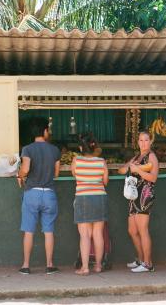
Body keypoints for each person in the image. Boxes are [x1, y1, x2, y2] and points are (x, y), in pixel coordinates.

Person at [17, 117, 61, 275]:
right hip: (49, 194)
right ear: (44, 131)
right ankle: (49, 265)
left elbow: (26, 169)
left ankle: (26, 265)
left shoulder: (27, 149)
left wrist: (19, 175)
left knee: (29, 230)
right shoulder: (55, 150)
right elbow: (56, 173)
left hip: (32, 193)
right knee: (48, 231)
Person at [118, 131, 159, 273]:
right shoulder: (136, 157)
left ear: (151, 141)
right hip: (133, 195)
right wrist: (130, 167)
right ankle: (141, 260)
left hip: (145, 194)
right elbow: (121, 170)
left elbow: (153, 178)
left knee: (142, 230)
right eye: (141, 140)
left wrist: (138, 170)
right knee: (132, 230)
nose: (143, 143)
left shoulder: (151, 156)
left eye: (146, 140)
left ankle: (148, 264)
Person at [71, 133, 109, 275]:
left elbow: (75, 175)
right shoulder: (101, 161)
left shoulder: (76, 160)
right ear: (94, 146)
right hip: (99, 197)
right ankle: (98, 266)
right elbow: (105, 181)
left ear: (81, 147)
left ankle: (85, 267)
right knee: (98, 233)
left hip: (83, 197)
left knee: (85, 235)